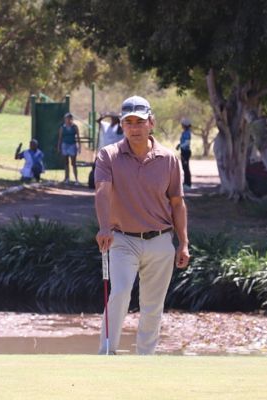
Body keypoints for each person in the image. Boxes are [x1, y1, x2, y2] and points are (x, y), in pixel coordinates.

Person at [94, 95, 190, 355]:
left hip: (160, 240)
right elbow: (102, 191)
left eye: (140, 122)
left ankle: (145, 360)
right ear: (122, 126)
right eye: (129, 123)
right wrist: (104, 227)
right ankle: (107, 353)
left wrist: (183, 243)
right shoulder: (108, 155)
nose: (134, 128)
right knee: (121, 293)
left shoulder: (169, 159)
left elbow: (177, 203)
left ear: (151, 123)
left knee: (152, 305)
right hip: (122, 239)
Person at [89, 113, 124, 188]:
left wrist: (118, 117)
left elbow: (122, 125)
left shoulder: (119, 129)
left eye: (114, 119)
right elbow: (98, 121)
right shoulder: (106, 126)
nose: (112, 120)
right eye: (112, 119)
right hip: (104, 153)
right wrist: (106, 116)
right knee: (98, 168)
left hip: (115, 154)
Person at [57, 112, 81, 184]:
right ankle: (67, 178)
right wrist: (59, 146)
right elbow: (60, 138)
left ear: (71, 119)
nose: (68, 120)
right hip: (64, 146)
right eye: (66, 118)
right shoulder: (62, 127)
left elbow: (78, 137)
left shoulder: (75, 127)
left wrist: (79, 146)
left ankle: (76, 179)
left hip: (72, 145)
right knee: (66, 162)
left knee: (73, 163)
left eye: (69, 118)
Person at [177, 118, 192, 189]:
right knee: (184, 167)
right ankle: (185, 183)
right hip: (183, 151)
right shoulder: (184, 132)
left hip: (186, 152)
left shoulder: (187, 133)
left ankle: (188, 184)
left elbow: (187, 143)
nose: (181, 125)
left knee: (186, 168)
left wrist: (181, 146)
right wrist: (179, 145)